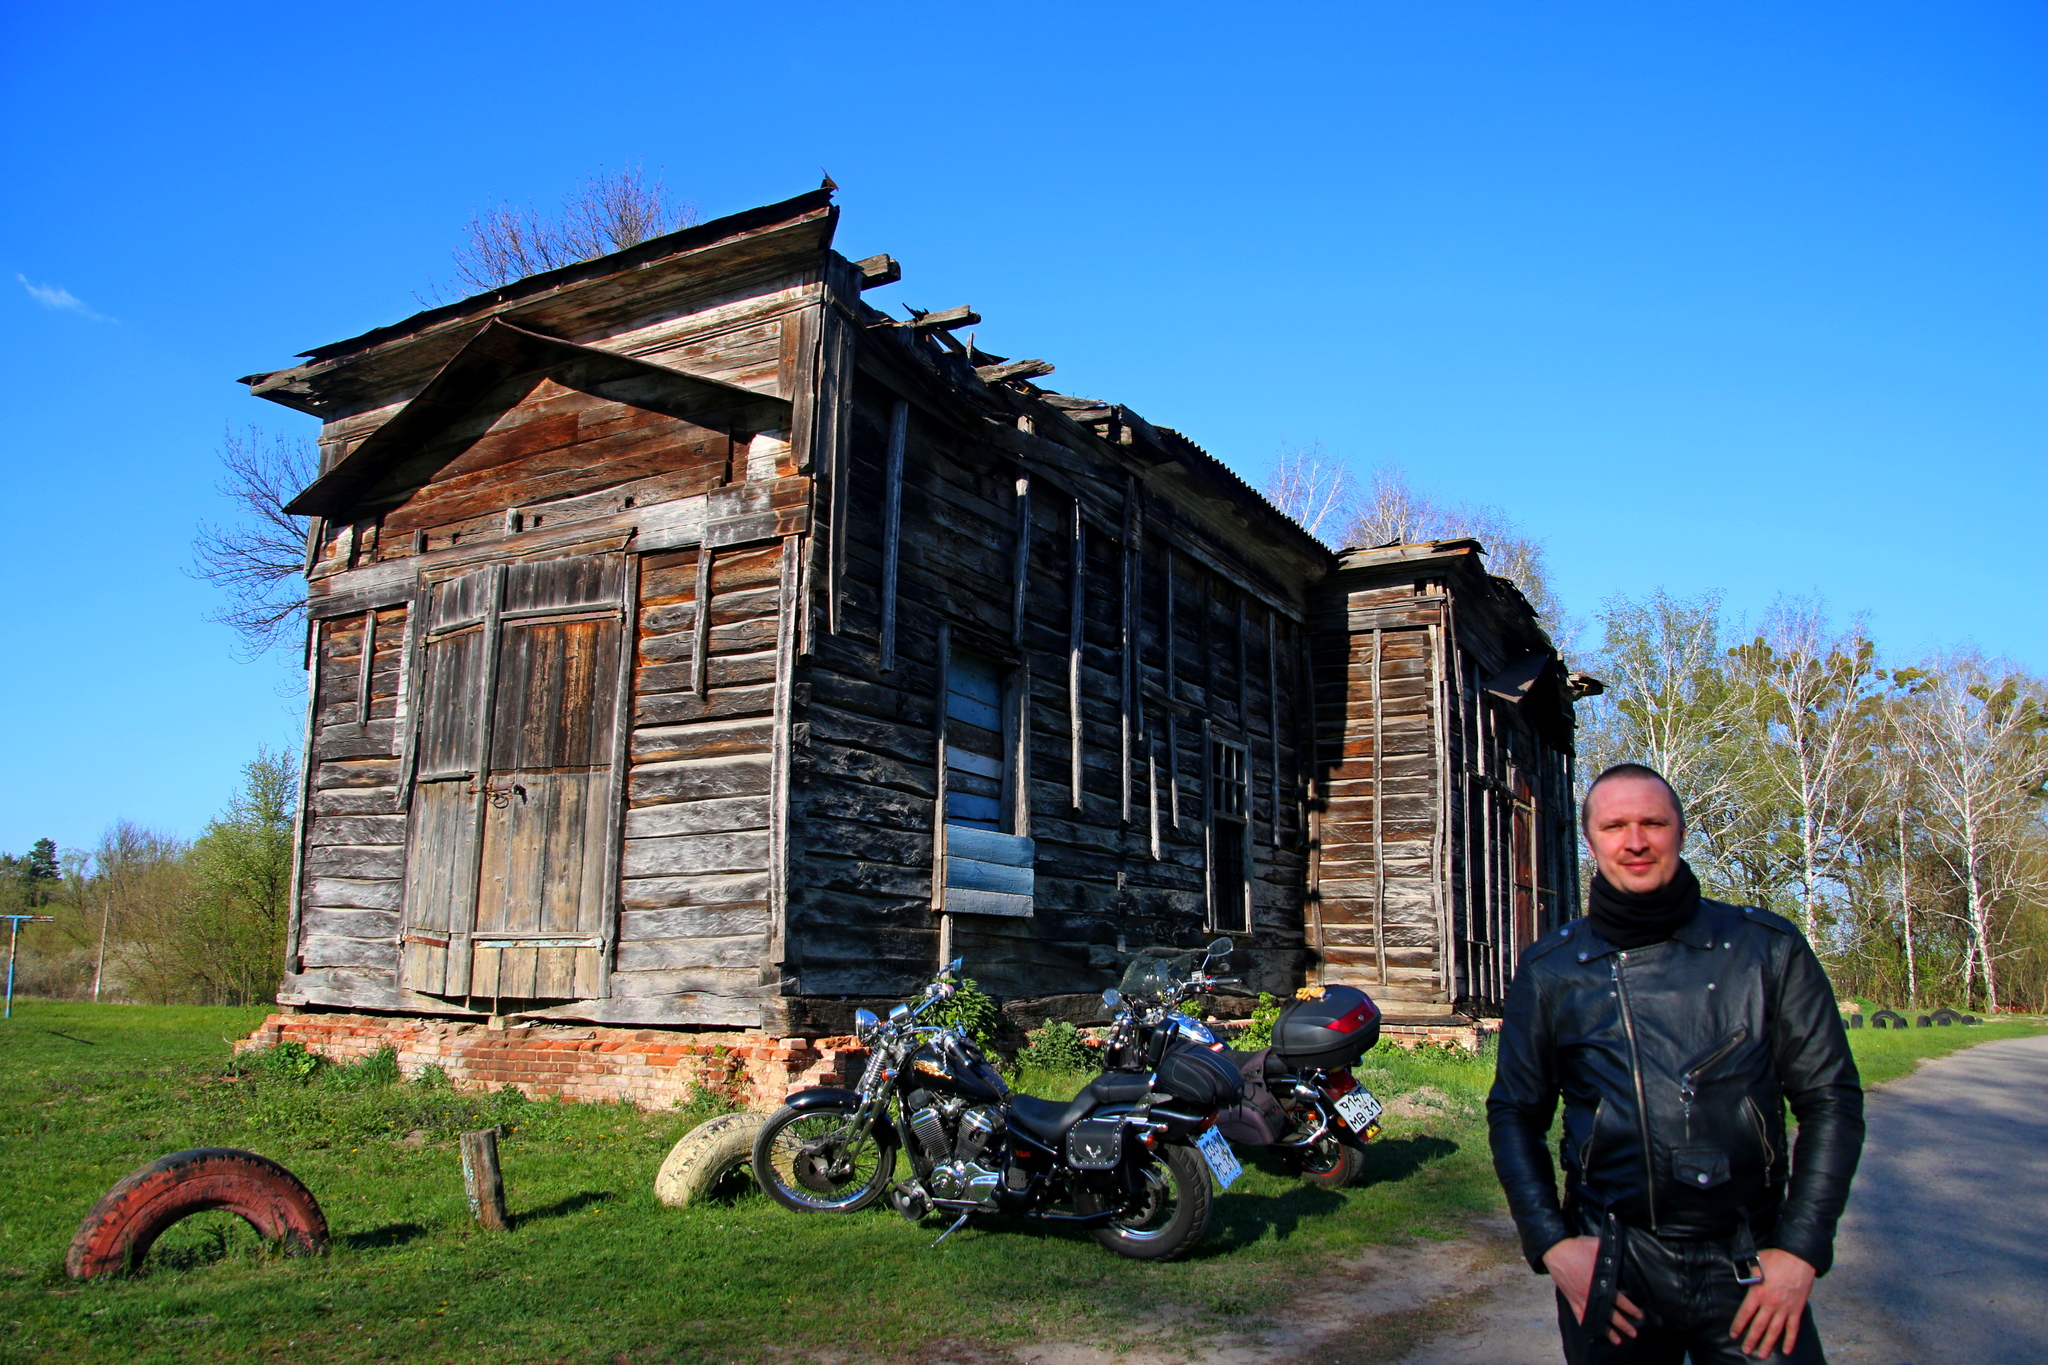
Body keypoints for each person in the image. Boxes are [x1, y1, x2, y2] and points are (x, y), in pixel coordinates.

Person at [1488, 763, 1864, 1363]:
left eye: (1652, 823)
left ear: (1680, 833)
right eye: (1615, 826)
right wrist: (1552, 1244)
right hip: (1614, 1269)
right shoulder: (1552, 969)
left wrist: (1800, 1250)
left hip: (1749, 1266)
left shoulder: (1767, 949)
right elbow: (1514, 1113)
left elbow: (1832, 1101)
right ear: (1590, 841)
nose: (1635, 841)